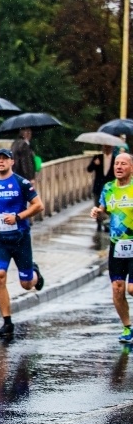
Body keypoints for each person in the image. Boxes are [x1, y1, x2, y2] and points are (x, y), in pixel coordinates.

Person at [0, 148, 45, 339]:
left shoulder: (21, 183)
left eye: (5, 159)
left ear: (11, 162)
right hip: (1, 240)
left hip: (21, 239)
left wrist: (18, 217)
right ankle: (7, 323)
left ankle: (35, 274)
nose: (1, 162)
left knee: (26, 284)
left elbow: (38, 206)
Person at [89, 152, 133, 343]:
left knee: (132, 289)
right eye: (116, 163)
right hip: (117, 245)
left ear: (131, 168)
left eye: (123, 163)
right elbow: (103, 211)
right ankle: (127, 327)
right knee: (117, 288)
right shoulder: (108, 188)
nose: (119, 167)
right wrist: (97, 212)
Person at [87, 145, 117, 231]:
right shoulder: (97, 157)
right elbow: (89, 169)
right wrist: (94, 164)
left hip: (110, 188)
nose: (107, 149)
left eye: (108, 148)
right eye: (105, 147)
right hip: (98, 187)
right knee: (97, 205)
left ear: (112, 148)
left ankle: (106, 223)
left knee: (108, 207)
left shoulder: (115, 159)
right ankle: (99, 224)